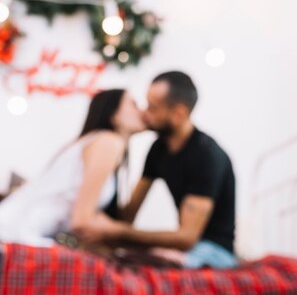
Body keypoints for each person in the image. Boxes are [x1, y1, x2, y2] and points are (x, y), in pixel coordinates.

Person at [75, 71, 237, 269]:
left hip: (215, 251)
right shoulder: (158, 150)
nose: (145, 112)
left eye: (153, 107)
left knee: (149, 266)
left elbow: (187, 238)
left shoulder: (207, 156)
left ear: (178, 113)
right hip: (186, 248)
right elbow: (128, 215)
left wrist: (114, 232)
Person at [0, 89, 146, 245]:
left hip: (10, 229)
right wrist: (139, 238)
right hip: (15, 234)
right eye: (133, 104)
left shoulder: (92, 140)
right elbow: (82, 221)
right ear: (114, 115)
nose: (142, 110)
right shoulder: (109, 141)